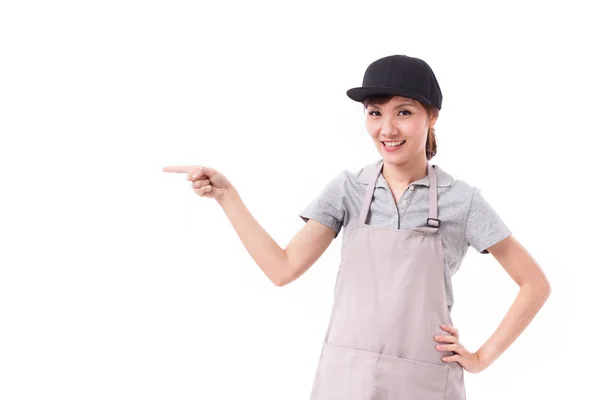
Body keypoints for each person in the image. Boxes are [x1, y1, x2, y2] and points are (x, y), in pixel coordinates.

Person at [163, 54, 551, 399]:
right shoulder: (349, 189)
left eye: (404, 112)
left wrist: (481, 358)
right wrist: (227, 196)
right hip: (346, 379)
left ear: (432, 116)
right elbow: (281, 269)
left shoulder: (461, 200)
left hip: (426, 382)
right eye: (374, 112)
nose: (387, 129)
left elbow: (535, 284)